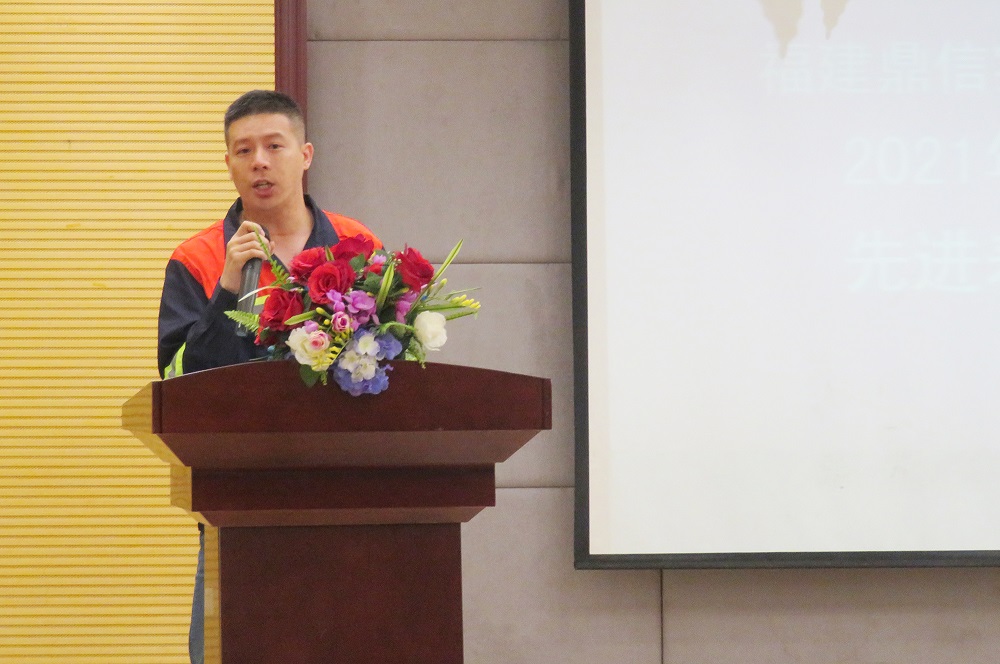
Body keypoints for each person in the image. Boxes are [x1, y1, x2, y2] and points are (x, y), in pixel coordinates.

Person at [155, 89, 382, 664]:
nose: (259, 161)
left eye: (274, 146)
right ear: (228, 163)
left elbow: (391, 367)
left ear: (305, 155)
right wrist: (229, 286)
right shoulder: (197, 259)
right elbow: (179, 384)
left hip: (347, 497)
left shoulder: (357, 247)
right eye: (243, 150)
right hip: (237, 497)